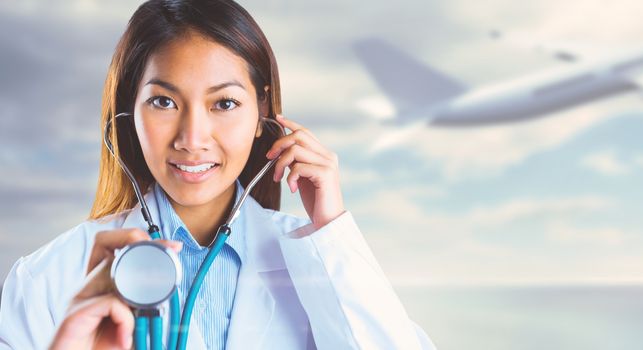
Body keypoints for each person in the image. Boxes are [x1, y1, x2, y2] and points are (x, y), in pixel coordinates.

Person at [0, 0, 436, 349]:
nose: (192, 138)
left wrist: (333, 235)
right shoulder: (45, 279)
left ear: (262, 109)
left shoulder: (323, 263)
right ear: (130, 110)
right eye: (164, 102)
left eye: (224, 104)